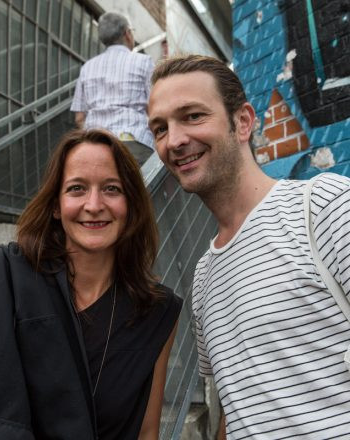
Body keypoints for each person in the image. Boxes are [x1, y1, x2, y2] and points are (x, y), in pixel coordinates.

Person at [0, 129, 182, 439]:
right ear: (55, 205)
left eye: (111, 188)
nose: (94, 204)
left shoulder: (156, 311)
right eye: (77, 188)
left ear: (131, 204)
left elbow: (146, 434)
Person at [147, 54, 350, 439]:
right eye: (160, 128)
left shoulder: (324, 207)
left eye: (192, 116)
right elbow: (240, 408)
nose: (174, 140)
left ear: (242, 122)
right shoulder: (203, 277)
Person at [70, 12, 155, 167]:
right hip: (135, 142)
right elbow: (155, 107)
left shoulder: (88, 67)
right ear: (127, 34)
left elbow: (79, 118)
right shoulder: (144, 62)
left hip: (95, 146)